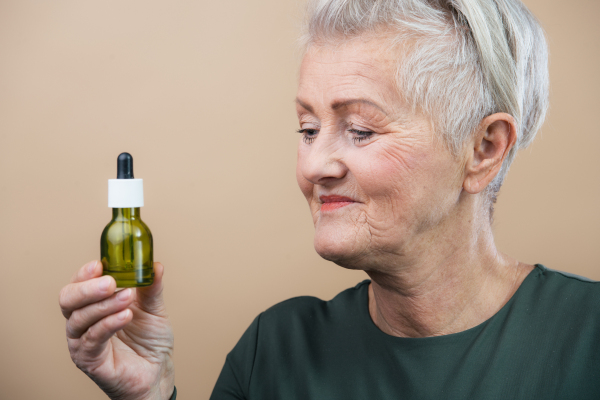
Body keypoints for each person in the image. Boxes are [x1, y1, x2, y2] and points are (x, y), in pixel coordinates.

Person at [59, 0, 600, 399]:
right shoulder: (274, 352)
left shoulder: (586, 340)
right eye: (308, 128)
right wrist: (151, 395)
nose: (314, 166)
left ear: (484, 149)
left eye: (361, 130)